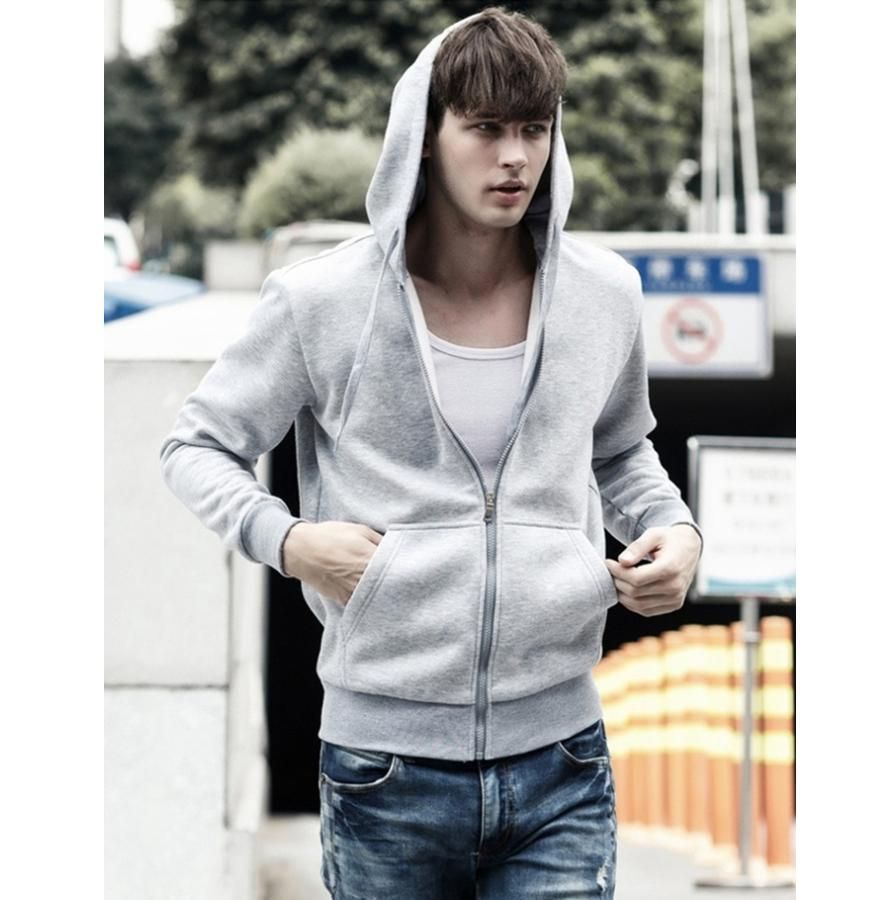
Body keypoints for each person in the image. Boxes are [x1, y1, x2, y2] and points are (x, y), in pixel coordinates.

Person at [160, 6, 702, 897]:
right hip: (385, 767)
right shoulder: (322, 300)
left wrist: (675, 531)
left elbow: (620, 450)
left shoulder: (605, 294)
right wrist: (290, 542)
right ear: (424, 134)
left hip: (562, 759)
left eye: (534, 129)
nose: (515, 157)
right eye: (485, 129)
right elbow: (197, 445)